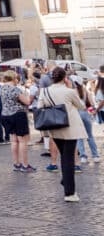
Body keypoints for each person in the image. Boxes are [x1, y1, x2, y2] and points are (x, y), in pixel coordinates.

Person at [38, 66, 87, 201]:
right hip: (70, 128)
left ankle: (66, 181)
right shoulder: (69, 91)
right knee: (68, 158)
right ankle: (69, 193)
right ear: (65, 78)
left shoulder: (45, 91)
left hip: (54, 126)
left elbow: (39, 107)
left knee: (65, 156)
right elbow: (81, 106)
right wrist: (71, 88)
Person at [0, 71, 34, 171]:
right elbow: (27, 102)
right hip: (18, 115)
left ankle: (16, 164)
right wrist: (30, 96)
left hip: (6, 115)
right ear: (14, 78)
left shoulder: (2, 88)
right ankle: (25, 165)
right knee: (23, 141)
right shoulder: (15, 89)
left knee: (14, 141)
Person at [72, 77, 101, 164]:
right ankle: (95, 156)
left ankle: (83, 156)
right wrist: (93, 112)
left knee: (79, 137)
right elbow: (91, 104)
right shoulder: (85, 91)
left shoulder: (72, 92)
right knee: (90, 136)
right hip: (85, 114)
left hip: (77, 114)